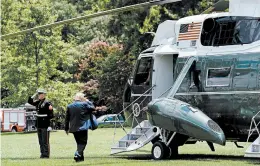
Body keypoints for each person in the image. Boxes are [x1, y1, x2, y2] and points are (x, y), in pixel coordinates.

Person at [65, 92, 97, 162]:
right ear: (81, 98)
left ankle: (80, 159)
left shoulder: (69, 106)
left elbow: (67, 119)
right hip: (82, 127)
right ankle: (77, 153)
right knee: (83, 143)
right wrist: (88, 101)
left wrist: (66, 128)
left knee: (79, 143)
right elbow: (93, 108)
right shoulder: (84, 104)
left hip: (73, 128)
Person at [28, 88, 53, 158]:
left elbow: (51, 115)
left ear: (44, 95)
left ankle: (46, 155)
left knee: (45, 141)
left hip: (45, 124)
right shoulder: (38, 102)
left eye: (40, 94)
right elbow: (30, 101)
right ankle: (42, 154)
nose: (39, 95)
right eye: (38, 94)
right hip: (39, 124)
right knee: (40, 141)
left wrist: (49, 125)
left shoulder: (48, 103)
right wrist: (35, 94)